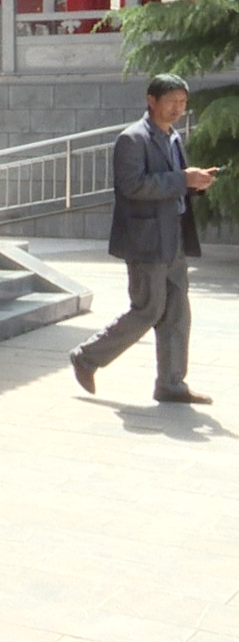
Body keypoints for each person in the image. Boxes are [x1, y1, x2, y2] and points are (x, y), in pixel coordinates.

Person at [71, 73, 221, 404]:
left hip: (174, 235)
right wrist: (183, 180)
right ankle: (87, 356)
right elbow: (132, 186)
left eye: (183, 102)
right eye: (172, 101)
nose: (178, 108)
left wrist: (194, 183)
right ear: (151, 101)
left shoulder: (173, 137)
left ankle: (171, 384)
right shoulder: (132, 139)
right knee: (148, 309)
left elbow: (173, 182)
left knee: (177, 312)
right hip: (146, 240)